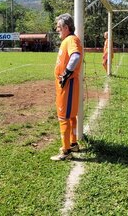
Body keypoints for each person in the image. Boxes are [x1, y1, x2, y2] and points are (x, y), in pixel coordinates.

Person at [51, 13, 83, 161]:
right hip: (67, 84)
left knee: (64, 117)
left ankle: (66, 151)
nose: (57, 29)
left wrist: (65, 75)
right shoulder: (69, 40)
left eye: (58, 27)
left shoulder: (71, 40)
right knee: (70, 116)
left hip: (67, 84)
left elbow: (75, 56)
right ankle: (73, 143)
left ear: (66, 27)